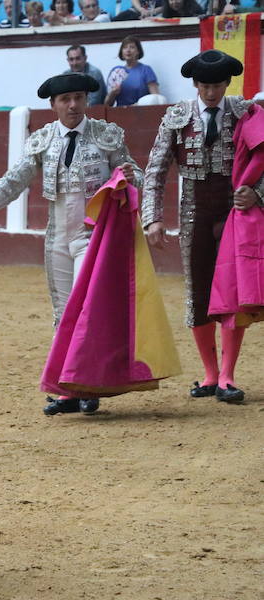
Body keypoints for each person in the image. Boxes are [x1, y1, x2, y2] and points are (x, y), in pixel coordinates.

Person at [0, 72, 142, 416]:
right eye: (65, 99)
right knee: (63, 315)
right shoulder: (43, 139)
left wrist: (129, 176)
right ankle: (68, 389)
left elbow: (131, 169)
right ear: (53, 105)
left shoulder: (105, 136)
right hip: (58, 237)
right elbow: (16, 177)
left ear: (86, 100)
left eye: (78, 97)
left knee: (87, 312)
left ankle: (89, 384)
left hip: (93, 237)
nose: (73, 105)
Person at [142, 50, 260, 404]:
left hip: (233, 213)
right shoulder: (176, 118)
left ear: (227, 83)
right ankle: (209, 373)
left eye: (218, 85)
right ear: (196, 84)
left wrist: (257, 193)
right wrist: (152, 217)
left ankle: (227, 375)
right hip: (193, 213)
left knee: (231, 293)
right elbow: (155, 170)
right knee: (198, 293)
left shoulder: (244, 114)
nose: (211, 92)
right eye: (206, 86)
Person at [104, 36, 159, 107]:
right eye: (125, 47)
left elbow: (156, 98)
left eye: (132, 47)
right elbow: (107, 104)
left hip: (142, 111)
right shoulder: (116, 72)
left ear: (138, 51)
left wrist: (139, 104)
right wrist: (113, 93)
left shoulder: (146, 70)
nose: (128, 50)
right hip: (120, 113)